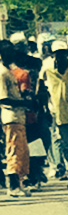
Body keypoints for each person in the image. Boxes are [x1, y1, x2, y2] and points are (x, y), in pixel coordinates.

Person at [41, 39, 68, 185]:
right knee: (67, 145)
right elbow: (41, 87)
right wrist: (44, 108)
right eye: (57, 54)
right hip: (60, 113)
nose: (60, 56)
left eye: (62, 53)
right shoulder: (48, 68)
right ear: (53, 55)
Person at [1, 50, 29, 198]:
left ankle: (19, 183)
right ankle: (12, 186)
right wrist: (22, 103)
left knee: (22, 153)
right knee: (14, 152)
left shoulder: (9, 72)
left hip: (18, 117)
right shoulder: (2, 73)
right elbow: (3, 99)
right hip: (11, 117)